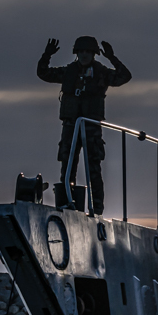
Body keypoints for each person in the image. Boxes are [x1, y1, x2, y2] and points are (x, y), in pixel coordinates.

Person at [37, 35, 131, 214]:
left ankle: (97, 208)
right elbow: (44, 74)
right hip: (70, 126)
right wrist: (46, 55)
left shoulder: (102, 73)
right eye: (81, 51)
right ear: (76, 53)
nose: (85, 55)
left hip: (91, 127)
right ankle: (66, 203)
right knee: (67, 167)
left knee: (93, 169)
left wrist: (112, 57)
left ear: (94, 54)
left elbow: (124, 76)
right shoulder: (68, 72)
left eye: (88, 51)